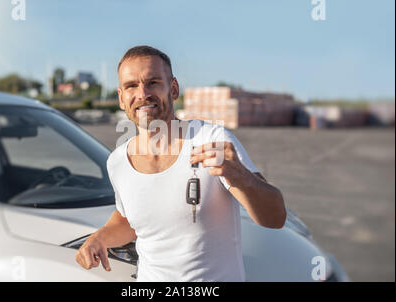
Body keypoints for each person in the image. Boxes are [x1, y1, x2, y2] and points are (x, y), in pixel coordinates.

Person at [75, 45, 287, 281]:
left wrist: (244, 179)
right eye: (131, 86)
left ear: (173, 89)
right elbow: (129, 219)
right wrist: (99, 238)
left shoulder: (212, 141)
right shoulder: (117, 162)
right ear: (121, 98)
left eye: (153, 82)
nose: (143, 93)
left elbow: (275, 218)